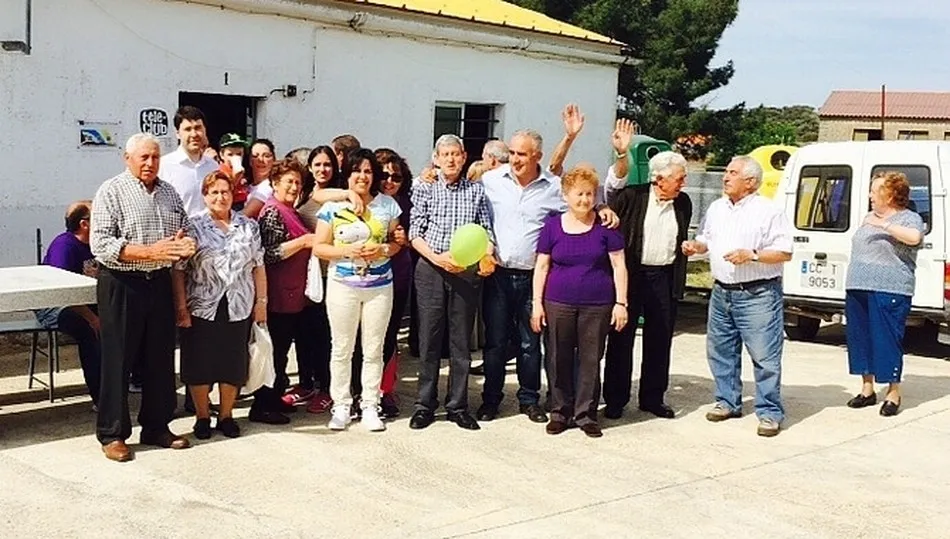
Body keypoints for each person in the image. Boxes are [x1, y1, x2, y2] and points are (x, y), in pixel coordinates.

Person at [476, 127, 619, 424]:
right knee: (495, 342)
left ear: (537, 156)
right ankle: (490, 399)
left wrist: (603, 206)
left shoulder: (553, 187)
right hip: (498, 276)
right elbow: (467, 202)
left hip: (535, 279)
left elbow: (582, 196)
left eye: (522, 154)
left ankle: (530, 399)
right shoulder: (490, 181)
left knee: (532, 343)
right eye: (512, 153)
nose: (514, 159)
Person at [90, 133, 197, 462]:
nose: (150, 163)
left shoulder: (168, 192)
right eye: (143, 158)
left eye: (154, 157)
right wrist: (150, 252)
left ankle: (156, 425)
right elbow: (102, 245)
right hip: (123, 283)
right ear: (127, 159)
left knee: (160, 358)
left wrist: (186, 244)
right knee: (118, 360)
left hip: (160, 283)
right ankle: (113, 433)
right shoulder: (111, 190)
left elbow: (185, 228)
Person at [682, 156, 793, 437]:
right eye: (727, 171)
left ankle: (769, 412)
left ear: (751, 182)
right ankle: (727, 401)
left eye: (733, 173)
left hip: (757, 293)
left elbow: (785, 251)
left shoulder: (769, 211)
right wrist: (697, 247)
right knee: (721, 350)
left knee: (765, 356)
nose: (725, 177)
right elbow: (707, 239)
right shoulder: (717, 208)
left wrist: (752, 254)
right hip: (721, 292)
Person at [530, 165, 627, 438]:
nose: (584, 200)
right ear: (566, 195)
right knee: (557, 358)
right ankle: (559, 412)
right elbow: (541, 266)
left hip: (597, 305)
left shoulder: (606, 227)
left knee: (590, 360)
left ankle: (586, 414)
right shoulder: (551, 227)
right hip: (557, 302)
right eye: (579, 194)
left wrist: (621, 304)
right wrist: (537, 303)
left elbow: (619, 266)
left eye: (589, 194)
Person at [408, 134, 495, 431]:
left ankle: (458, 406)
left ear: (464, 156)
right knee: (430, 340)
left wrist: (486, 256)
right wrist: (437, 258)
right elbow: (414, 233)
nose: (450, 159)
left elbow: (487, 232)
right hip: (431, 268)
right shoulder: (425, 189)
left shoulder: (476, 192)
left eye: (455, 154)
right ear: (436, 158)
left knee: (460, 342)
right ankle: (424, 405)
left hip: (465, 272)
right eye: (444, 154)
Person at [172, 171, 268, 439]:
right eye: (214, 192)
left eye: (225, 191)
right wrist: (181, 307)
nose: (220, 197)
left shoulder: (249, 226)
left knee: (232, 363)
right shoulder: (193, 227)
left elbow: (258, 267)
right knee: (199, 364)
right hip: (201, 305)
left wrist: (261, 302)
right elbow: (178, 270)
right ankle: (202, 417)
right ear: (204, 196)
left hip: (238, 304)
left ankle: (226, 416)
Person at [313, 148, 403, 432]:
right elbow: (318, 247)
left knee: (373, 349)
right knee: (341, 349)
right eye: (356, 170)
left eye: (367, 171)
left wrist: (383, 248)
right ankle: (341, 405)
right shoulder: (332, 207)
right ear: (347, 174)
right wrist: (346, 251)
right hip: (343, 286)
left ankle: (369, 405)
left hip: (379, 287)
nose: (362, 176)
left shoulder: (388, 205)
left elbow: (397, 242)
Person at [604, 146, 693, 420]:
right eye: (679, 178)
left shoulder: (683, 202)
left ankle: (653, 398)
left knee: (660, 340)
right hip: (632, 276)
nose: (683, 183)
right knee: (621, 339)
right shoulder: (632, 196)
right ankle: (616, 400)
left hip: (664, 278)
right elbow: (608, 214)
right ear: (659, 178)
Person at [844, 171, 924, 416]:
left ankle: (893, 392)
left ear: (889, 195)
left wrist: (884, 225)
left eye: (874, 190)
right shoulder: (868, 216)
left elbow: (915, 238)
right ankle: (867, 389)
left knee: (886, 339)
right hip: (858, 286)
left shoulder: (909, 218)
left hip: (890, 288)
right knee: (860, 338)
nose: (870, 195)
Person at [251, 157, 318, 424]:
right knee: (273, 353)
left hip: (292, 295)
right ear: (275, 183)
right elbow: (267, 254)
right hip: (276, 296)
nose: (293, 187)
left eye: (298, 182)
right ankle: (263, 405)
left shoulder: (293, 210)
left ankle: (275, 397)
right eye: (289, 181)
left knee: (281, 352)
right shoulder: (272, 212)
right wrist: (302, 242)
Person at [36, 200, 101, 409]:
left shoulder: (100, 244)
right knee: (89, 331)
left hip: (90, 304)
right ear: (85, 224)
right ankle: (101, 398)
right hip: (55, 307)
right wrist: (92, 319)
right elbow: (63, 293)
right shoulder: (64, 246)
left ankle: (134, 379)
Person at [160, 106, 218, 217]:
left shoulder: (213, 167)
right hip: (179, 232)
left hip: (209, 232)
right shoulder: (164, 166)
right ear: (177, 133)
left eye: (198, 128)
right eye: (188, 129)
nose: (194, 134)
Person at [243, 139, 277, 219]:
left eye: (266, 156)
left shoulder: (269, 187)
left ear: (274, 159)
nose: (261, 160)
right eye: (255, 156)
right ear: (250, 161)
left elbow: (244, 215)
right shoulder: (246, 185)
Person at [218, 133, 250, 211]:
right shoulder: (221, 172)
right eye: (230, 154)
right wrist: (235, 177)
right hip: (231, 206)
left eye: (239, 154)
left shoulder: (245, 169)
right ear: (222, 155)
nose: (235, 157)